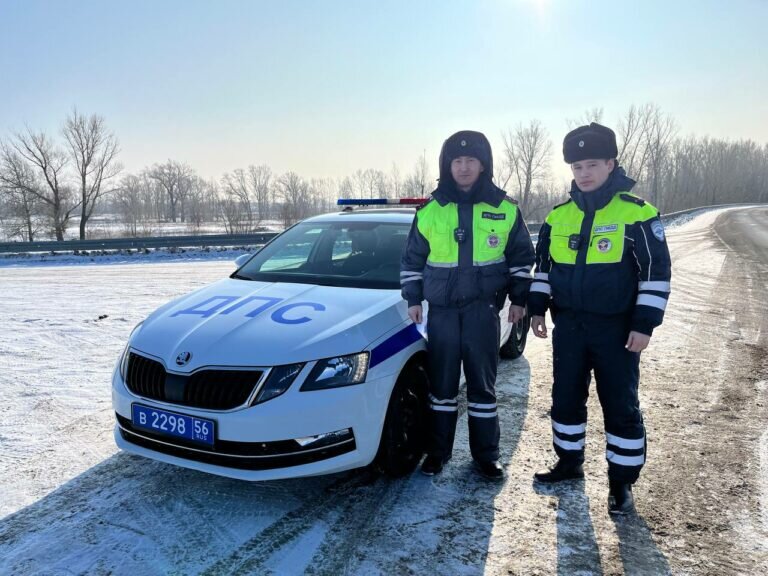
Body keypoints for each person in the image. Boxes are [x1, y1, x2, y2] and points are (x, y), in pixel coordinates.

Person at [528, 122, 672, 514]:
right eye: (577, 166)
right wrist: (537, 309)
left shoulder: (637, 214)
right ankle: (569, 462)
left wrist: (644, 324)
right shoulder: (558, 218)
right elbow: (543, 269)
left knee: (619, 403)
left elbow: (655, 273)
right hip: (569, 327)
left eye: (592, 164)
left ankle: (621, 483)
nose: (584, 173)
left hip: (617, 330)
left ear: (611, 164)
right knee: (565, 397)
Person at [400, 130, 535, 481]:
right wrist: (413, 299)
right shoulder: (430, 211)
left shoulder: (504, 208)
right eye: (457, 161)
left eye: (470, 161)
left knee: (482, 389)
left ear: (482, 165)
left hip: (482, 311)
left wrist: (519, 300)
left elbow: (522, 258)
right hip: (442, 313)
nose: (463, 167)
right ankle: (438, 453)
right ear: (447, 165)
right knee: (441, 388)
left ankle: (486, 457)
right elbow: (412, 260)